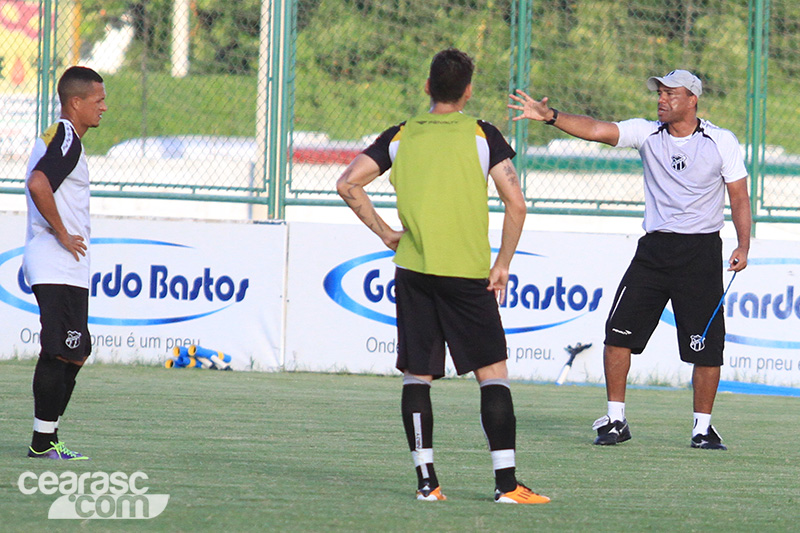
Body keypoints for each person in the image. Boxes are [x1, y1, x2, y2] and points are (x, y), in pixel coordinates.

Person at [337, 48, 550, 503]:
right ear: (468, 90)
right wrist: (503, 263)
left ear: (428, 87)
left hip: (413, 270)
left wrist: (387, 234)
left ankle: (427, 484)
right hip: (466, 273)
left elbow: (348, 183)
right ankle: (506, 484)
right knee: (492, 374)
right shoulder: (482, 134)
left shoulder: (401, 134)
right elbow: (517, 203)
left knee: (417, 377)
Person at [509, 69, 750, 450]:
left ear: (692, 99)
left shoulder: (721, 141)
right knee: (617, 334)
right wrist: (550, 116)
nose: (661, 99)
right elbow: (596, 129)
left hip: (701, 253)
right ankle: (616, 420)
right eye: (659, 93)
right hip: (654, 252)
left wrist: (743, 245)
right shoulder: (646, 132)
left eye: (671, 94)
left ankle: (702, 428)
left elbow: (738, 196)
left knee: (707, 346)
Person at [23, 66, 107, 460]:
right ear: (76, 102)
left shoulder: (65, 138)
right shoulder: (67, 138)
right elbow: (39, 183)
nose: (104, 108)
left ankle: (48, 437)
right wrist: (60, 231)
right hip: (55, 262)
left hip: (68, 266)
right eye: (98, 100)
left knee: (77, 349)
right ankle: (43, 443)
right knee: (60, 349)